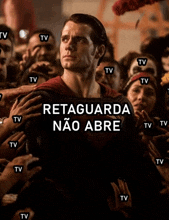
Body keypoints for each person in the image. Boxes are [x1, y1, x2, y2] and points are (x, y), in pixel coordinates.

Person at [18, 13, 168, 219]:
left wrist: (125, 201)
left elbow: (128, 162)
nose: (69, 46)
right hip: (59, 206)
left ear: (99, 50)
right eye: (65, 39)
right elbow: (42, 164)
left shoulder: (118, 103)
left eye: (79, 40)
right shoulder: (42, 98)